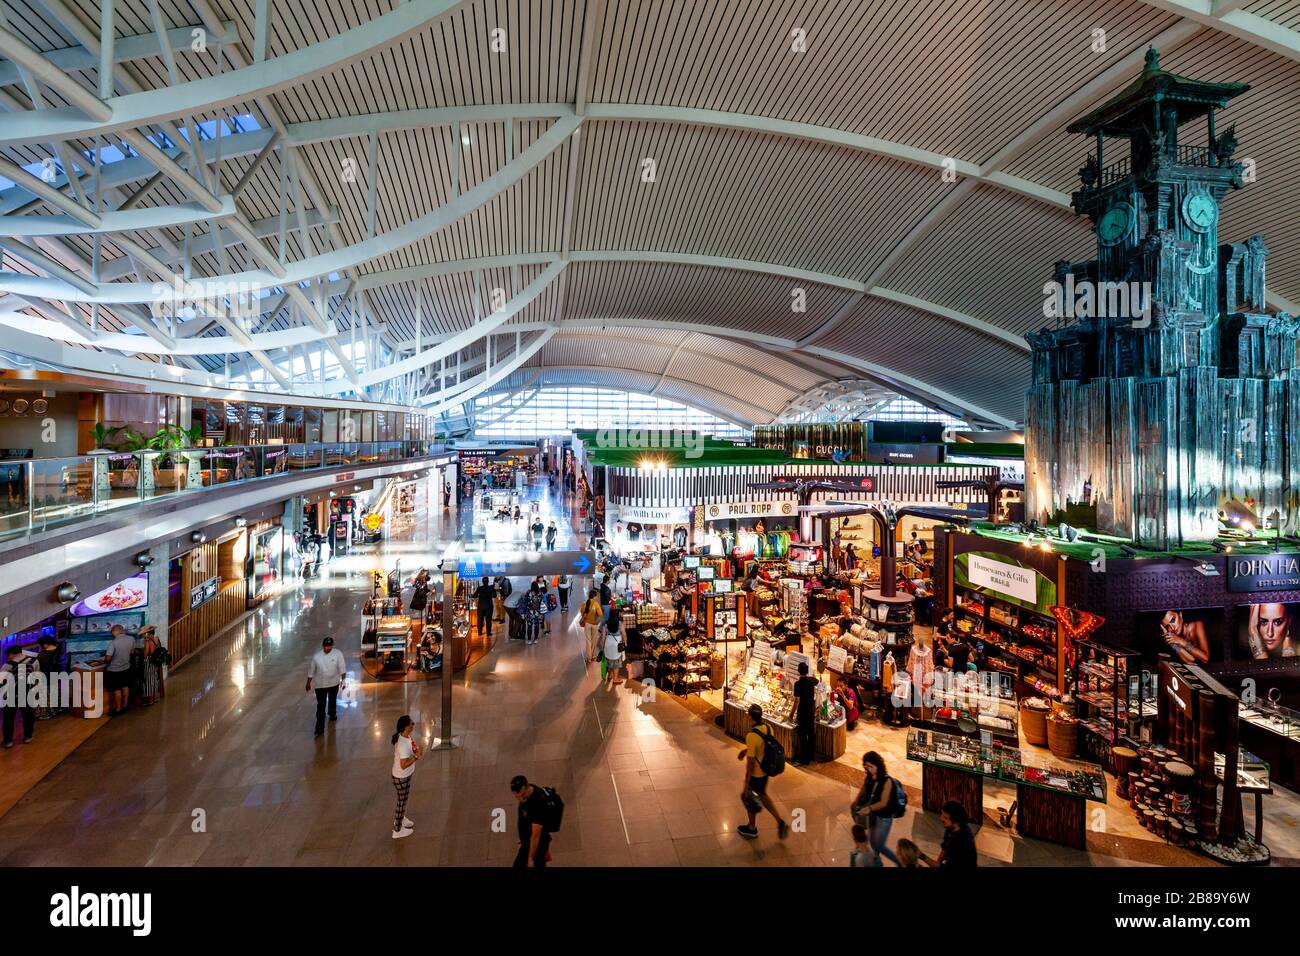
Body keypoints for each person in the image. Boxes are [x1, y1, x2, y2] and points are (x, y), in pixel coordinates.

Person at [737, 703, 790, 840]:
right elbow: (763, 746)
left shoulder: (751, 736)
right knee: (763, 796)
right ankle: (779, 822)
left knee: (749, 798)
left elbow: (751, 763)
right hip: (766, 770)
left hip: (757, 774)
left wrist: (746, 783)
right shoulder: (768, 728)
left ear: (750, 716)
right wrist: (745, 750)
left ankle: (752, 828)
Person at [851, 751, 902, 865]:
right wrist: (856, 802)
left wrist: (869, 808)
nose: (869, 769)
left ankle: (899, 863)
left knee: (879, 846)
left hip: (884, 818)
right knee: (873, 843)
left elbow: (883, 802)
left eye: (871, 766)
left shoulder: (887, 780)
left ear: (878, 765)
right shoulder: (869, 777)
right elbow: (863, 790)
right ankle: (877, 862)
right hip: (873, 816)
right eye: (866, 766)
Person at [305, 636, 347, 737]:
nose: (327, 648)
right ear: (323, 646)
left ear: (332, 646)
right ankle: (319, 728)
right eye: (325, 646)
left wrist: (344, 681)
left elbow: (342, 667)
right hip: (320, 685)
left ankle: (332, 714)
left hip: (334, 683)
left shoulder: (338, 654)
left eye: (329, 646)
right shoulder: (317, 657)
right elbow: (311, 670)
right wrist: (308, 683)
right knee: (320, 706)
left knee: (332, 700)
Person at [510, 775, 555, 867]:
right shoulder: (529, 790)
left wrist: (530, 858)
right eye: (517, 797)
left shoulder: (537, 804)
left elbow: (536, 835)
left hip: (535, 846)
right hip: (528, 842)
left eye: (522, 795)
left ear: (526, 787)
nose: (521, 799)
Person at [1, 644, 39, 747]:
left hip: (11, 695)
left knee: (8, 718)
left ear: (12, 654)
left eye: (8, 655)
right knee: (28, 716)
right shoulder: (34, 661)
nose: (8, 657)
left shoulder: (7, 665)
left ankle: (8, 741)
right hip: (28, 693)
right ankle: (28, 736)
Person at [920, 800, 977, 868]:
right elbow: (944, 849)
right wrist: (938, 862)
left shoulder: (960, 843)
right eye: (942, 815)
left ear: (956, 822)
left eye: (945, 818)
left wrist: (921, 856)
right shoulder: (951, 828)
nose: (941, 818)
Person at [390, 714, 421, 839]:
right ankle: (397, 830)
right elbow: (403, 765)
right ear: (406, 727)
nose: (413, 725)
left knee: (403, 799)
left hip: (402, 776)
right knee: (401, 802)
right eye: (412, 723)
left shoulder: (404, 736)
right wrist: (416, 756)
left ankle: (401, 819)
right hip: (401, 777)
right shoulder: (402, 744)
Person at [96, 624, 136, 716]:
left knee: (116, 689)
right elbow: (132, 652)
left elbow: (108, 658)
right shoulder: (131, 639)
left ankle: (118, 709)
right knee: (125, 686)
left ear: (115, 631)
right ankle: (125, 705)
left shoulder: (113, 643)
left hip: (114, 670)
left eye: (112, 632)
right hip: (126, 667)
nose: (112, 634)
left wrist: (104, 659)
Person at [792, 661, 818, 765]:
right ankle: (812, 756)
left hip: (802, 712)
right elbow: (816, 680)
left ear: (798, 671)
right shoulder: (811, 681)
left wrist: (791, 713)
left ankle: (804, 758)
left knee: (802, 735)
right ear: (807, 671)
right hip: (810, 711)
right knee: (811, 733)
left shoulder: (797, 684)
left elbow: (797, 701)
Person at [138, 625, 164, 706]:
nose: (141, 635)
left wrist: (140, 652)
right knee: (154, 680)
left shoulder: (147, 641)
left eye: (142, 633)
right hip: (155, 662)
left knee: (148, 681)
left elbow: (146, 654)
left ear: (146, 633)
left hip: (149, 662)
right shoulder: (156, 638)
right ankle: (154, 698)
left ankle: (149, 700)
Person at [580, 588, 604, 662]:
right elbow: (601, 615)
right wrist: (596, 622)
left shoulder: (584, 604)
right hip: (594, 625)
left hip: (587, 624)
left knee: (588, 641)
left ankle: (589, 658)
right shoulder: (596, 604)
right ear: (594, 597)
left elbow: (582, 613)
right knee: (594, 640)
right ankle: (593, 655)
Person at [604, 614, 625, 685]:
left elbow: (602, 637)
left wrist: (602, 646)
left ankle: (610, 675)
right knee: (616, 662)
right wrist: (625, 643)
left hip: (608, 644)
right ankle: (615, 679)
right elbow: (624, 634)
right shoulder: (620, 624)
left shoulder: (606, 624)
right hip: (617, 645)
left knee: (609, 659)